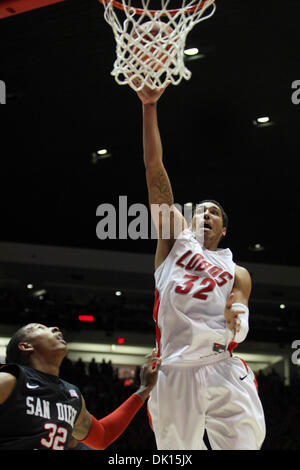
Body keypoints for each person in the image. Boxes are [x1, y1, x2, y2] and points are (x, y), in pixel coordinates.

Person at [134, 82, 266, 450]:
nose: (206, 214)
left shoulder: (236, 270)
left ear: (224, 229)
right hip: (175, 368)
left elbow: (238, 313)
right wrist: (149, 108)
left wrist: (238, 319)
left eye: (215, 213)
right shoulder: (174, 242)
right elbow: (153, 169)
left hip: (221, 364)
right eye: (201, 210)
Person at [0, 323, 161, 450]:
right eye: (40, 328)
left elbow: (103, 437)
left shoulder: (71, 396)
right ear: (26, 346)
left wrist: (144, 389)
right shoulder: (10, 380)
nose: (55, 328)